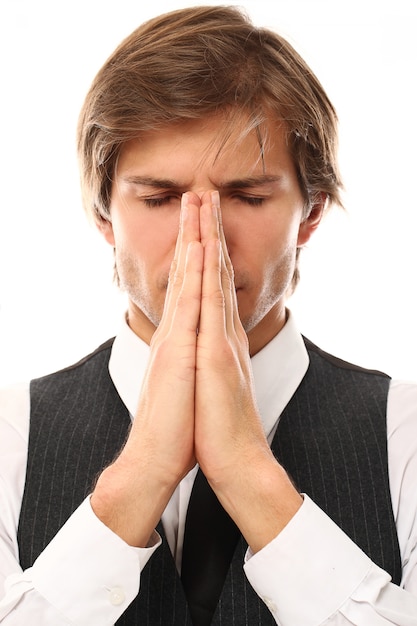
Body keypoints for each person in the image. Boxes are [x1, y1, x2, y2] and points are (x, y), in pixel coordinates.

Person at [0, 4, 416, 624]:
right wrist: (139, 474)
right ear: (102, 214)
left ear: (312, 211)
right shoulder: (12, 433)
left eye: (247, 197)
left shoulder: (403, 431)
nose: (207, 240)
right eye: (160, 198)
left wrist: (250, 474)